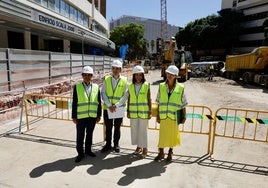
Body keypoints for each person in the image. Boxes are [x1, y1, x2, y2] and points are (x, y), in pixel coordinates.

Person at [155, 65, 188, 162]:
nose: (169, 75)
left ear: (176, 76)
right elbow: (158, 102)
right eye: (168, 73)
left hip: (174, 117)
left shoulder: (180, 88)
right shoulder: (161, 86)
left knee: (172, 135)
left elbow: (183, 104)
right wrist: (157, 115)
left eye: (172, 74)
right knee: (162, 135)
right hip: (163, 115)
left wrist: (184, 116)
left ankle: (170, 152)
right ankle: (161, 152)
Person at [72, 65, 102, 163]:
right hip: (81, 117)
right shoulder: (77, 87)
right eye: (85, 75)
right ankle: (80, 153)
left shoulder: (96, 87)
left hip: (92, 117)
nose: (87, 77)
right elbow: (75, 102)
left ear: (92, 76)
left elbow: (98, 102)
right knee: (80, 136)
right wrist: (74, 116)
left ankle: (88, 150)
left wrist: (99, 115)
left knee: (89, 135)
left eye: (89, 75)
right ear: (82, 75)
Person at [101, 59, 128, 153]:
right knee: (108, 127)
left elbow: (126, 95)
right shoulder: (107, 79)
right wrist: (109, 105)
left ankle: (116, 144)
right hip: (107, 108)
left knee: (117, 127)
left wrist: (116, 105)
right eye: (114, 68)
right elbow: (103, 92)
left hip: (118, 108)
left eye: (117, 68)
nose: (115, 70)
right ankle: (108, 144)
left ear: (120, 69)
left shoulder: (124, 80)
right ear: (112, 69)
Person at [127, 65, 151, 158]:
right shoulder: (131, 86)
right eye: (136, 75)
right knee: (135, 131)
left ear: (143, 76)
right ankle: (138, 147)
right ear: (134, 76)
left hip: (143, 112)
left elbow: (149, 99)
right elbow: (129, 99)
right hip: (133, 112)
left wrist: (150, 112)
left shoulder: (146, 85)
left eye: (140, 75)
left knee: (143, 131)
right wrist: (128, 111)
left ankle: (145, 148)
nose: (138, 77)